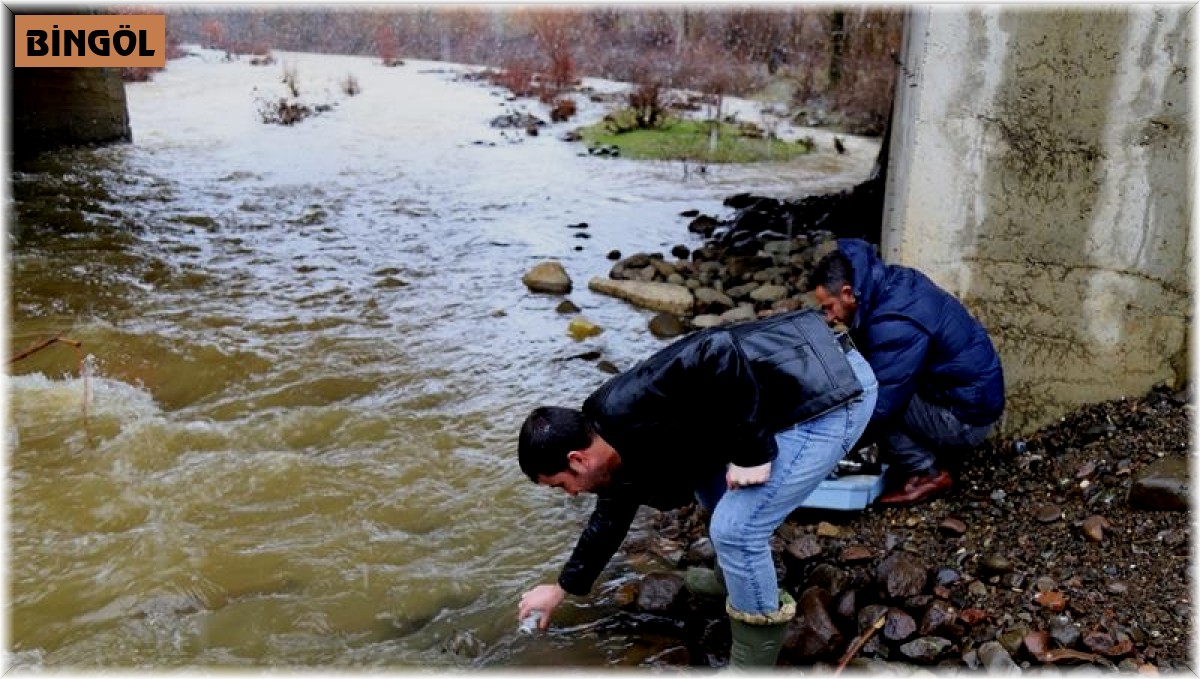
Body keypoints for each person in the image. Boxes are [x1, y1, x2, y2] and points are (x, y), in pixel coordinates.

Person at [516, 309, 877, 668]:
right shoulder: (607, 447)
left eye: (562, 485)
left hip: (831, 390)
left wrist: (753, 454)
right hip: (787, 396)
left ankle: (753, 662)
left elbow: (717, 347)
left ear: (577, 460)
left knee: (735, 530)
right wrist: (561, 588)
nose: (572, 494)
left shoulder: (625, 402)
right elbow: (608, 521)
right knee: (709, 487)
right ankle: (732, 582)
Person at [808, 238, 1005, 506]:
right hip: (964, 397)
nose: (829, 318)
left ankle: (926, 472)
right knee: (867, 389)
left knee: (873, 403)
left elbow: (881, 404)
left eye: (828, 307)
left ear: (847, 293)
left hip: (966, 420)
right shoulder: (891, 284)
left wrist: (830, 450)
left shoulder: (894, 321)